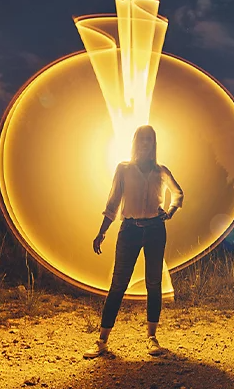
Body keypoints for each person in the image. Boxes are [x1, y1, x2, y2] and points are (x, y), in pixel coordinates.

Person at [83, 125, 184, 358]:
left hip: (155, 230)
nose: (145, 143)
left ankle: (152, 338)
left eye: (149, 139)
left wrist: (169, 212)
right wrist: (102, 232)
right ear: (135, 142)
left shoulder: (161, 171)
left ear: (154, 143)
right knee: (118, 284)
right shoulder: (124, 169)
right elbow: (113, 203)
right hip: (129, 230)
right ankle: (102, 340)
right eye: (141, 139)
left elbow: (178, 193)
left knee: (153, 283)